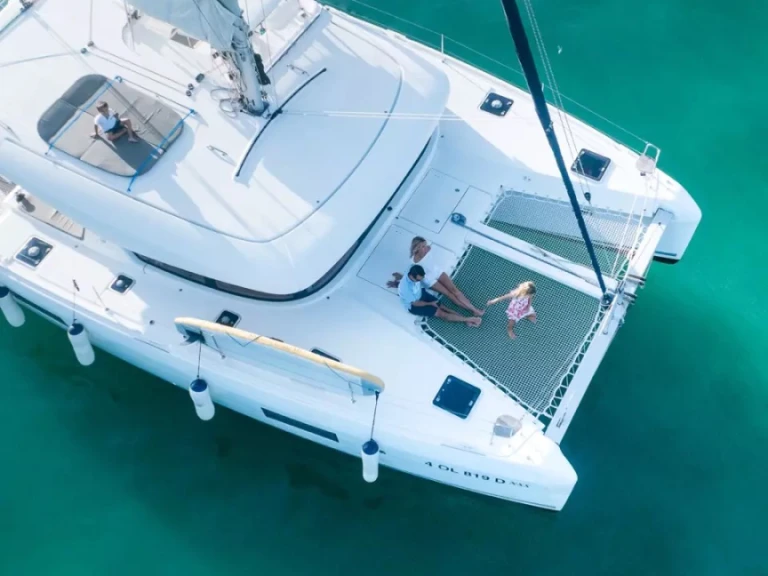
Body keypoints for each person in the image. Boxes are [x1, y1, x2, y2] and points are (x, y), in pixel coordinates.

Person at [388, 236, 484, 316]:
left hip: (437, 272)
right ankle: (473, 311)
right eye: (422, 247)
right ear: (416, 249)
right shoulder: (413, 263)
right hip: (429, 280)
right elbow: (410, 276)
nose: (426, 248)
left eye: (425, 245)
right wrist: (397, 281)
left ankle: (474, 309)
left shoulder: (427, 249)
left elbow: (428, 248)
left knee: (455, 291)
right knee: (449, 294)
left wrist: (425, 246)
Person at [399, 265, 482, 327]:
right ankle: (469, 319)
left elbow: (406, 279)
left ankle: (466, 319)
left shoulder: (411, 272)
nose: (419, 281)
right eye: (417, 280)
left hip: (421, 294)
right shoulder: (405, 288)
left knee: (443, 306)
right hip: (414, 305)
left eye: (420, 280)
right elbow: (415, 303)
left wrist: (397, 279)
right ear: (411, 276)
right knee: (441, 313)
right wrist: (430, 303)